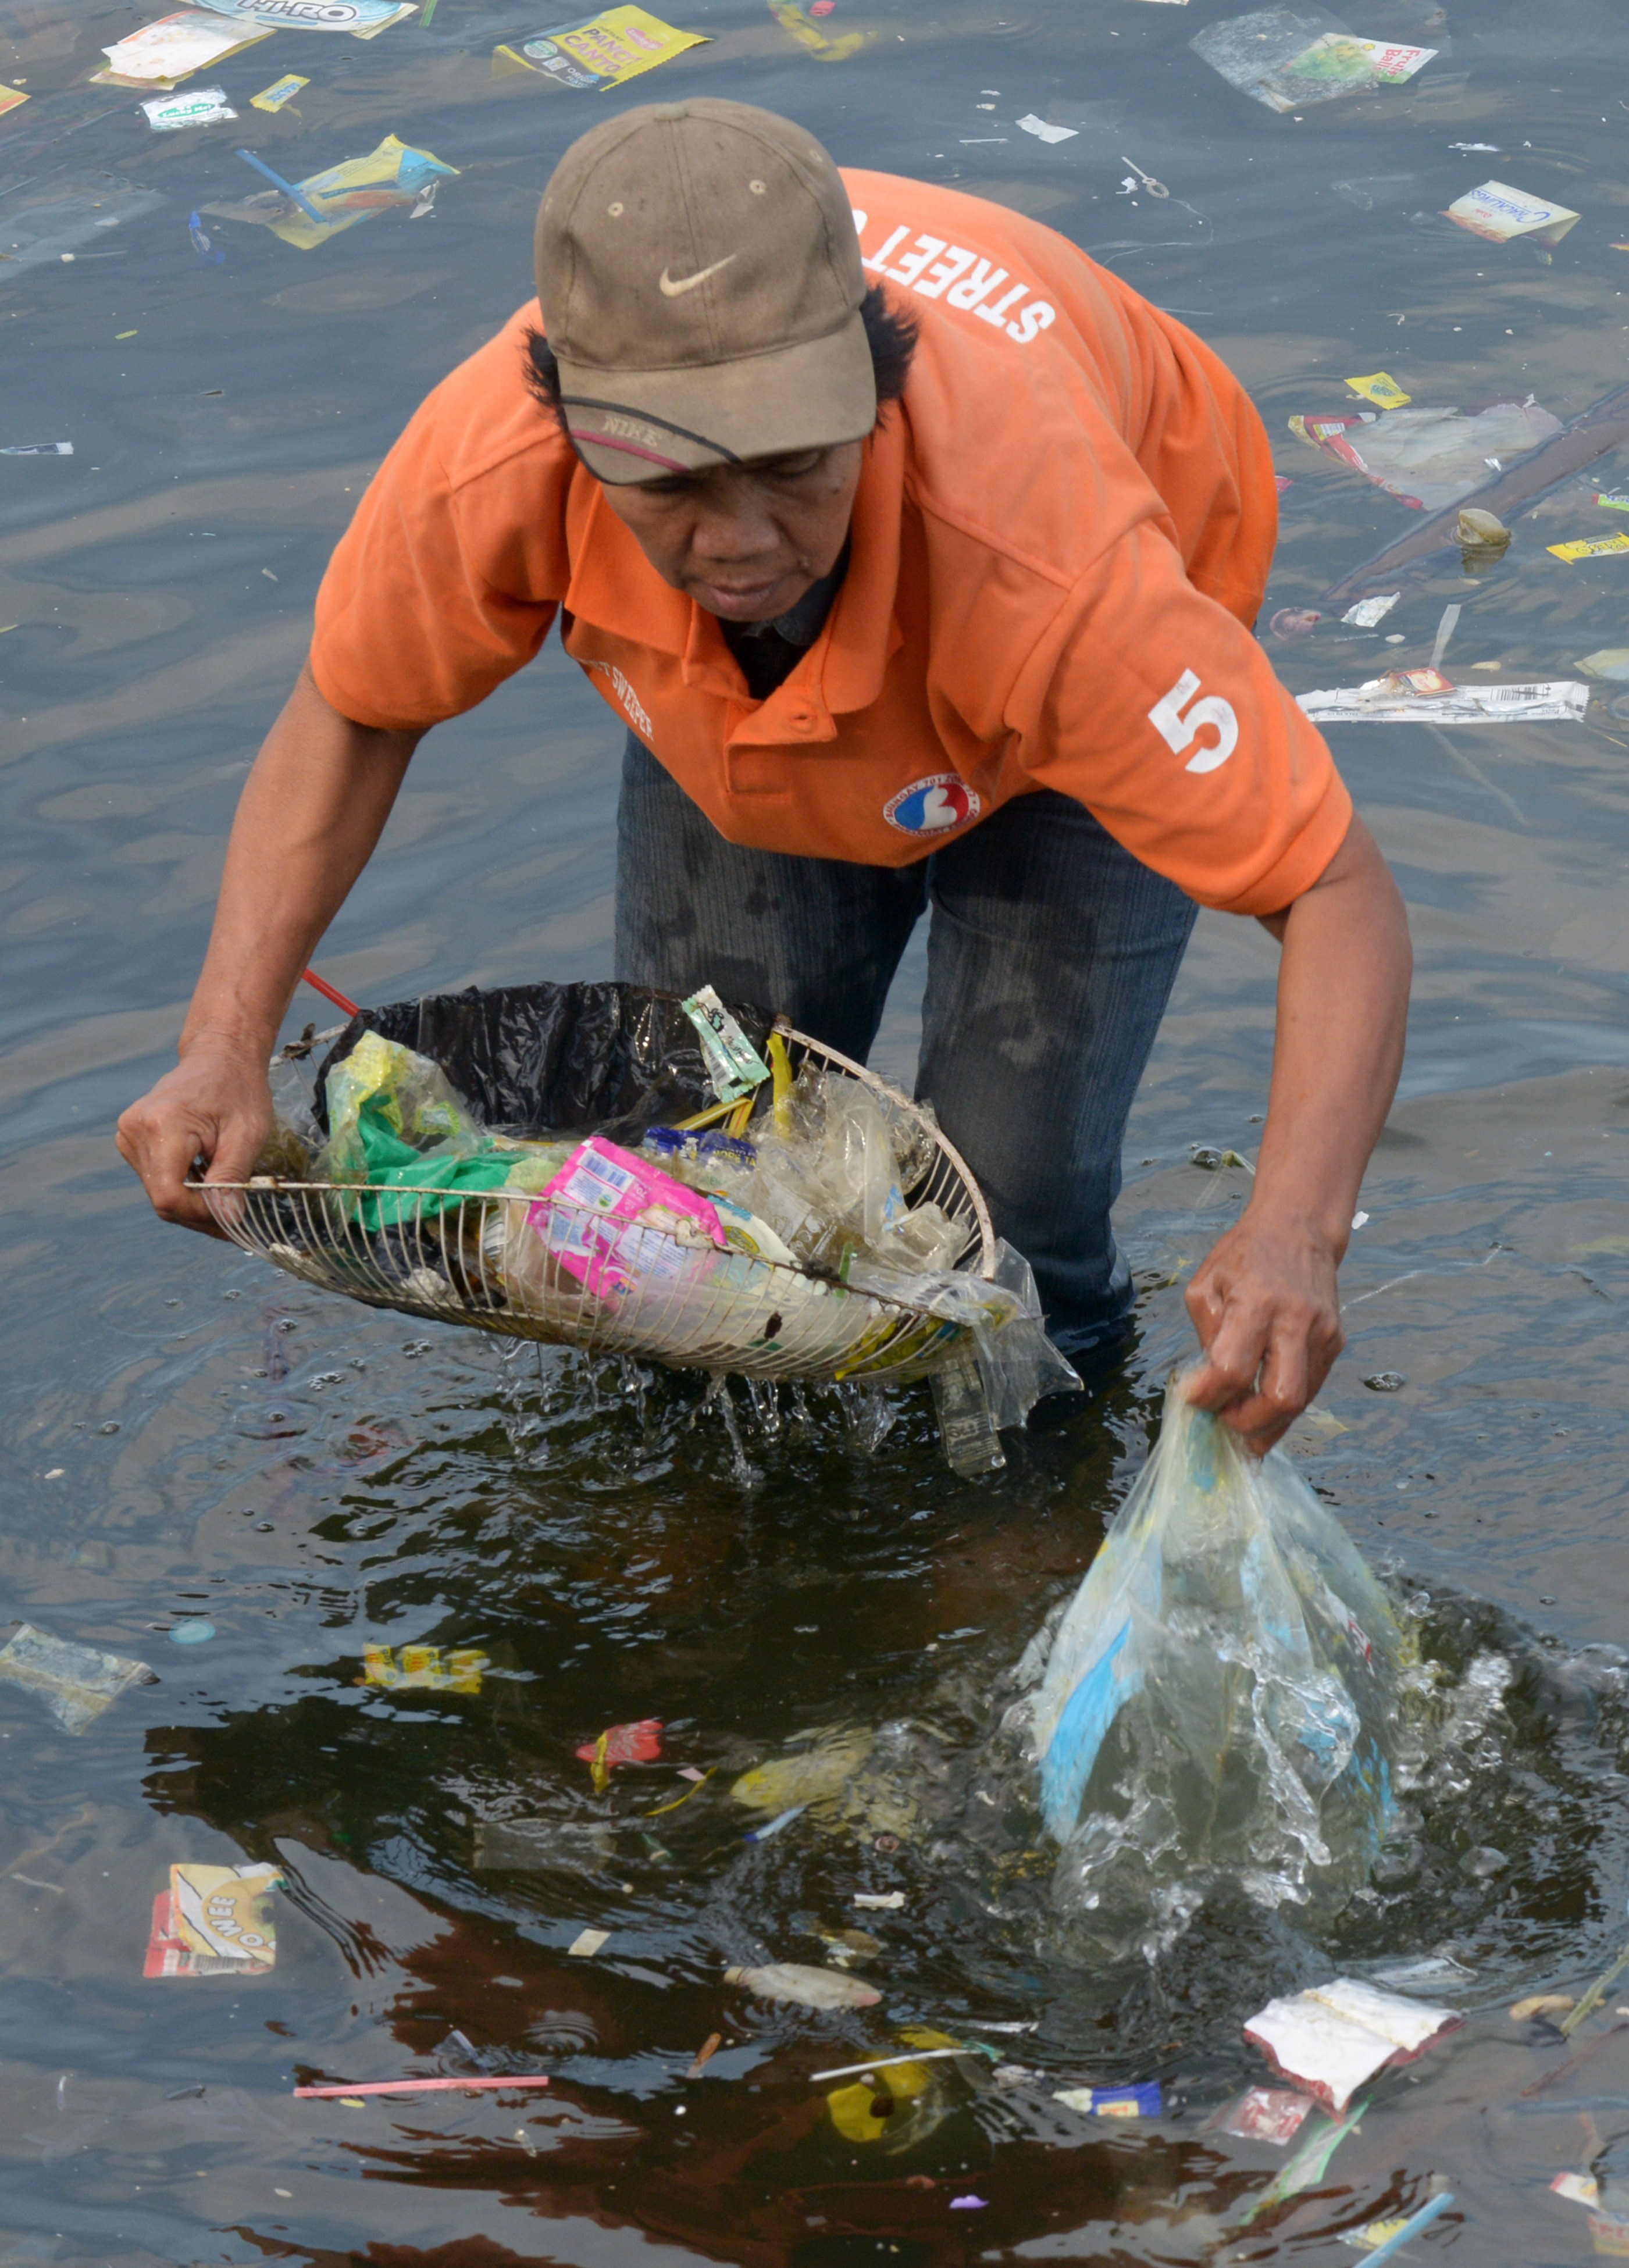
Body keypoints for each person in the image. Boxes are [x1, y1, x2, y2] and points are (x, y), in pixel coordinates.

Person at [116, 97, 1410, 1453]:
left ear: (875, 385)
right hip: (727, 725)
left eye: (795, 465)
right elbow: (355, 716)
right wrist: (221, 1047)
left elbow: (1332, 887)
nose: (742, 543)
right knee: (704, 1171)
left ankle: (1024, 1535)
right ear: (565, 417)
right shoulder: (491, 463)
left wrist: (1292, 1230)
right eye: (669, 481)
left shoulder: (1058, 563)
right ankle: (716, 1536)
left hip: (1056, 736)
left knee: (1013, 1220)